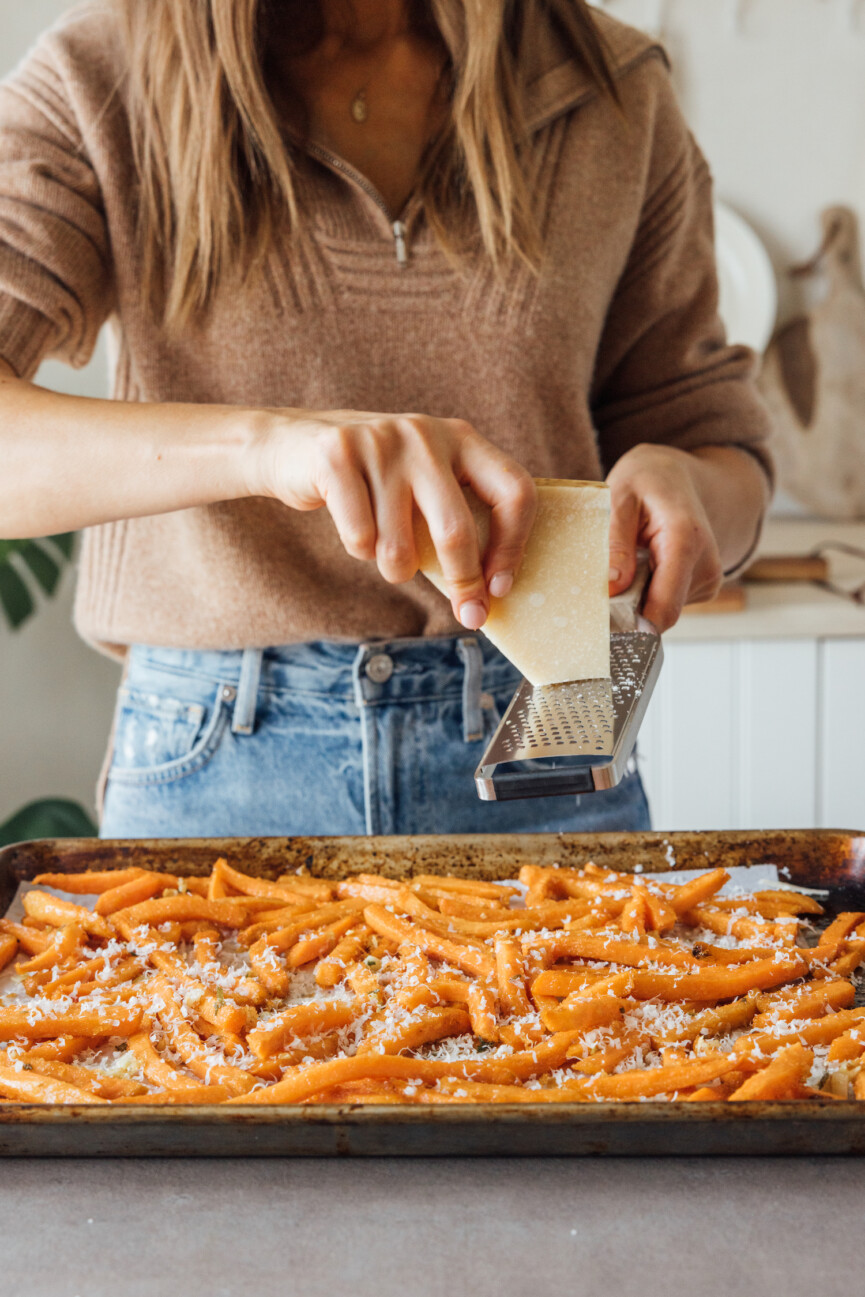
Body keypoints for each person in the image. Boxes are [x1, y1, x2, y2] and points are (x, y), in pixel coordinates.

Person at [0, 0, 771, 839]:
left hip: (547, 747)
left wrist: (688, 485)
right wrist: (270, 445)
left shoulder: (612, 89)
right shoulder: (97, 77)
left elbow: (720, 451)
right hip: (215, 764)